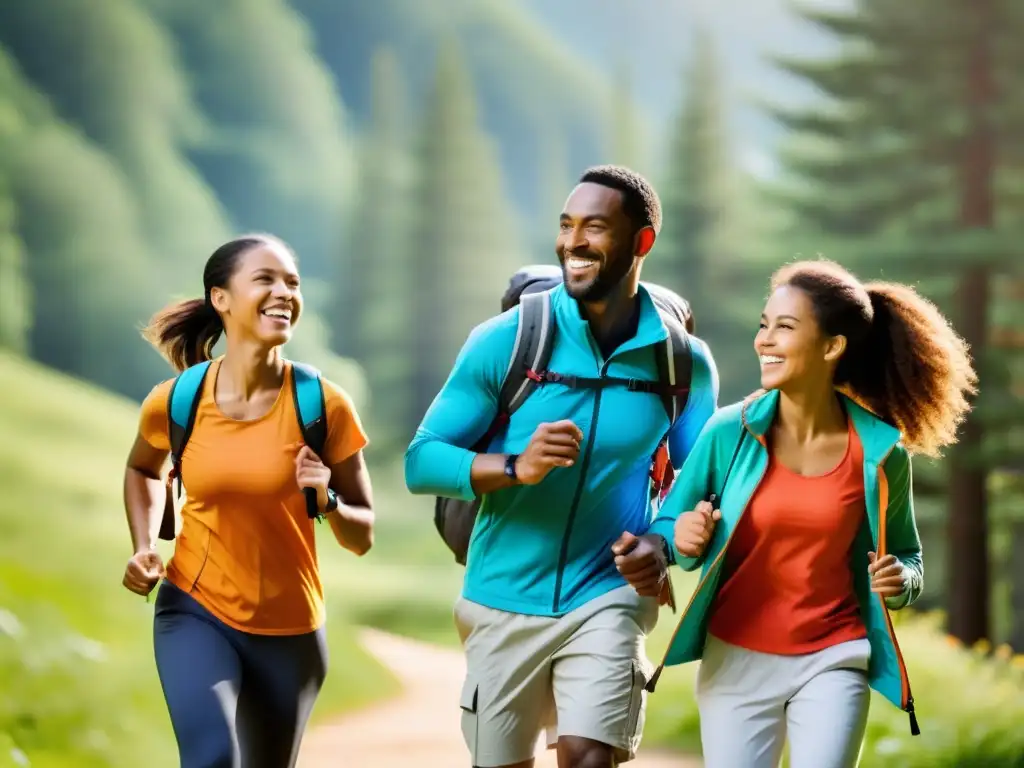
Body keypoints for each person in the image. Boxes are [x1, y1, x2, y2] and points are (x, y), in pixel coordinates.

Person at [404, 165, 720, 768]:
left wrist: (663, 541)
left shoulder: (682, 362)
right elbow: (422, 461)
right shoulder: (508, 339)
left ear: (641, 242)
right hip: (502, 594)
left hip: (609, 592)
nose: (573, 242)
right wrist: (514, 466)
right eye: (566, 225)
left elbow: (699, 481)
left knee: (589, 756)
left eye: (595, 227)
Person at [629, 259, 977, 768]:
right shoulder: (730, 433)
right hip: (736, 657)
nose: (765, 340)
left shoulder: (880, 453)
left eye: (784, 328)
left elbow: (908, 556)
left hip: (834, 656)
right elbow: (670, 528)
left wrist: (900, 579)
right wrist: (683, 538)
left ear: (833, 347)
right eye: (763, 325)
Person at [121, 234, 375, 768]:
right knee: (211, 757)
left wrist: (326, 497)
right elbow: (144, 468)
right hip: (195, 608)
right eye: (266, 279)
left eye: (293, 282)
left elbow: (362, 535)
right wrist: (143, 545)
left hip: (292, 632)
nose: (284, 292)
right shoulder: (178, 399)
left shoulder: (322, 404)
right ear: (222, 298)